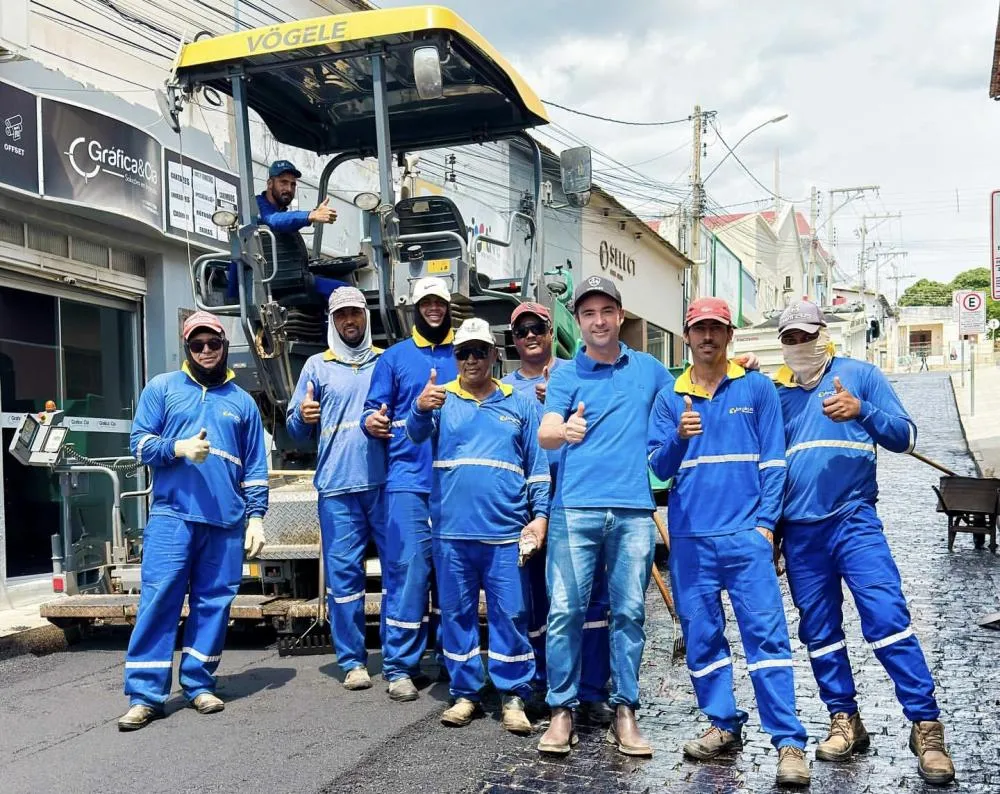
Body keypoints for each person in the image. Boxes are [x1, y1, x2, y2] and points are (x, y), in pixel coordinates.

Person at [774, 300, 954, 786]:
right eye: (788, 338)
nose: (797, 345)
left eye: (804, 335)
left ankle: (926, 725)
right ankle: (845, 719)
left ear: (823, 333)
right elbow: (767, 469)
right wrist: (771, 531)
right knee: (820, 631)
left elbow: (905, 435)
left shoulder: (862, 374)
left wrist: (862, 410)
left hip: (854, 520)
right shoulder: (778, 394)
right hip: (800, 532)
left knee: (887, 617)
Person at [647, 297, 810, 788]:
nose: (708, 337)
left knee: (767, 641)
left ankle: (788, 743)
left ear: (729, 335)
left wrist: (764, 526)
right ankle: (723, 723)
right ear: (687, 335)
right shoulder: (668, 398)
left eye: (717, 328)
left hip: (745, 539)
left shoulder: (757, 388)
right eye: (700, 329)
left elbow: (774, 464)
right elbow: (657, 468)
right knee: (703, 639)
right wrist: (678, 437)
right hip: (692, 541)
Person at [535, 275, 671, 758]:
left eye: (606, 312)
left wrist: (742, 366)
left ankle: (625, 711)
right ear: (580, 320)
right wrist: (562, 429)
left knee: (630, 613)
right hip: (574, 510)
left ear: (619, 315)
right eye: (588, 313)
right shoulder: (566, 375)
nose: (598, 321)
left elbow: (690, 392)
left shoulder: (650, 370)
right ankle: (561, 712)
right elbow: (547, 430)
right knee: (565, 611)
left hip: (634, 512)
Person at [120, 310, 269, 730]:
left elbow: (255, 467)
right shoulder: (162, 388)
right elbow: (139, 444)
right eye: (197, 345)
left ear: (225, 347)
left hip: (225, 522)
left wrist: (256, 516)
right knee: (159, 600)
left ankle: (199, 682)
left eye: (213, 344)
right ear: (187, 348)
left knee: (214, 605)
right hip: (173, 517)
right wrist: (178, 448)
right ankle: (146, 695)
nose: (206, 351)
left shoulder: (242, 403)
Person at [407, 317, 548, 734]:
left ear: (493, 355)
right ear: (455, 358)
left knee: (511, 615)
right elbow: (415, 436)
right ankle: (465, 694)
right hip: (452, 534)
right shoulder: (439, 400)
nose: (471, 360)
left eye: (479, 351)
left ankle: (513, 696)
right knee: (457, 614)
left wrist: (539, 518)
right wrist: (418, 408)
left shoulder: (519, 403)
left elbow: (537, 470)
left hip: (506, 535)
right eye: (463, 353)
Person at [500, 302, 612, 725]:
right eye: (521, 330)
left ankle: (593, 690)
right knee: (536, 601)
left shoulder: (577, 372)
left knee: (591, 603)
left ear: (551, 332)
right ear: (513, 340)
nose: (530, 335)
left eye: (538, 327)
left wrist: (561, 403)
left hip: (579, 500)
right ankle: (544, 683)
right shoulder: (504, 390)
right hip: (528, 510)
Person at [286, 287, 387, 691]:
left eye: (356, 314)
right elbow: (295, 428)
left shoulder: (385, 360)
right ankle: (352, 662)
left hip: (384, 485)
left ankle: (398, 662)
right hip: (337, 488)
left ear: (366, 317)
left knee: (398, 575)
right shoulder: (316, 366)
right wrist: (303, 416)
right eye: (342, 315)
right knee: (345, 582)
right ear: (332, 320)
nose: (350, 321)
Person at [361, 276, 458, 702]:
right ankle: (400, 666)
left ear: (448, 305)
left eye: (439, 302)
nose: (433, 309)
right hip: (407, 481)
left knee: (454, 577)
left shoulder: (468, 353)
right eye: (426, 303)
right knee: (409, 573)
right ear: (414, 308)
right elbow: (373, 410)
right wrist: (372, 421)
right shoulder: (394, 358)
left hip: (457, 484)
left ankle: (452, 659)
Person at [227, 160, 346, 302]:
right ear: (270, 184)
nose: (289, 189)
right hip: (279, 282)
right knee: (346, 293)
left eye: (293, 184)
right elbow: (275, 221)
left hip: (292, 278)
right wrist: (310, 215)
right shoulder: (256, 207)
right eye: (283, 182)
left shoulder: (281, 212)